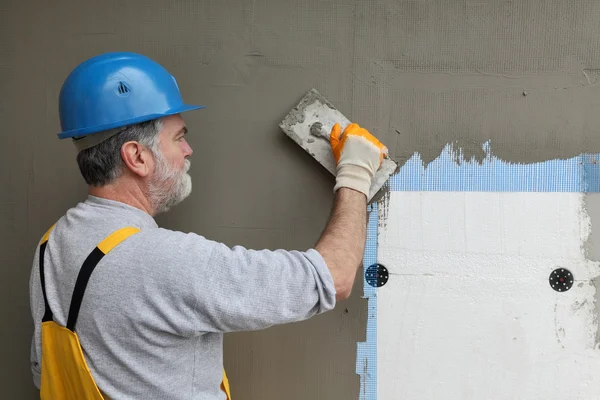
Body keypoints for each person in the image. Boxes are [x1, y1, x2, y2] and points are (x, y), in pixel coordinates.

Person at [28, 52, 387, 399]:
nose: (188, 150)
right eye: (179, 137)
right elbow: (333, 276)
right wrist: (355, 173)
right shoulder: (167, 261)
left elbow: (40, 368)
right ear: (137, 157)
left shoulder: (52, 246)